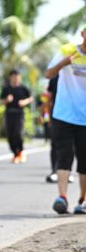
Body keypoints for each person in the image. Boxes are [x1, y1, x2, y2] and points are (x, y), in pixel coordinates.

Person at [45, 24, 86, 214]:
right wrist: (64, 63)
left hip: (85, 117)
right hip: (64, 114)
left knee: (84, 160)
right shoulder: (66, 50)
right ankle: (62, 197)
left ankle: (82, 200)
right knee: (64, 155)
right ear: (83, 34)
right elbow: (48, 74)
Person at [0, 70, 33, 163]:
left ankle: (21, 151)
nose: (15, 78)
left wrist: (24, 102)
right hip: (9, 113)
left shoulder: (23, 88)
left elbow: (30, 98)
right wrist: (7, 100)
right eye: (13, 77)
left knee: (17, 133)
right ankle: (15, 154)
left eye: (17, 76)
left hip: (19, 113)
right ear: (10, 78)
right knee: (10, 135)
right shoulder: (6, 89)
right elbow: (1, 101)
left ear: (20, 77)